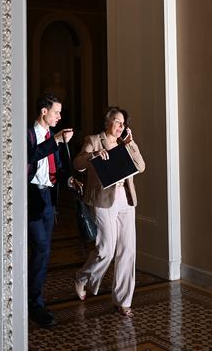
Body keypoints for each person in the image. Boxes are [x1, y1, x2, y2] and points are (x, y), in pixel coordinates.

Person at [72, 106, 146, 317]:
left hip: (126, 200)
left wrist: (130, 144)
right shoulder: (94, 140)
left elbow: (140, 167)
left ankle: (123, 301)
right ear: (107, 123)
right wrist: (93, 155)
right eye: (117, 121)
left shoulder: (126, 143)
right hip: (103, 201)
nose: (121, 126)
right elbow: (78, 164)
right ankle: (82, 277)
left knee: (127, 250)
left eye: (123, 123)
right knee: (106, 249)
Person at [26, 94, 73, 328]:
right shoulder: (29, 134)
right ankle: (34, 303)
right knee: (41, 249)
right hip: (32, 196)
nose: (60, 116)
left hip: (48, 198)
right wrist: (54, 141)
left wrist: (70, 181)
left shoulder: (53, 138)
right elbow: (29, 157)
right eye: (57, 112)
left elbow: (59, 167)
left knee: (42, 252)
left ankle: (33, 299)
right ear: (44, 112)